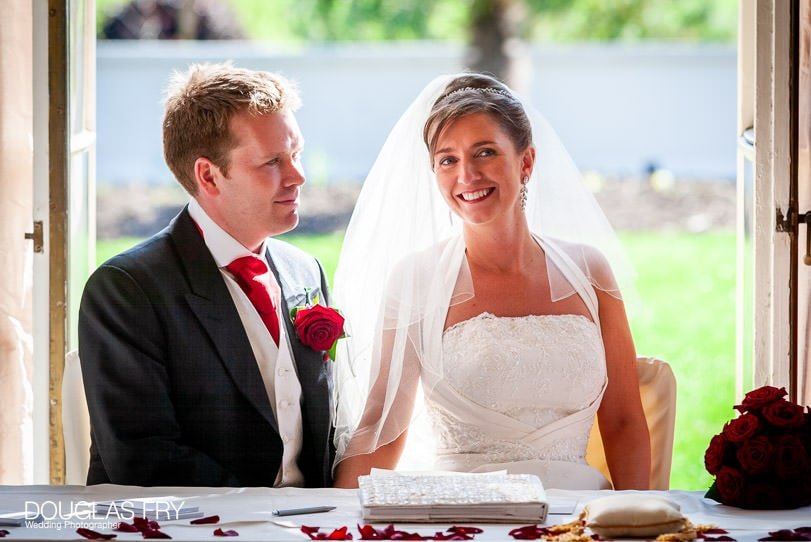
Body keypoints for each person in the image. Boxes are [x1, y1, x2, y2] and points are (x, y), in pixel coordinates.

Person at [331, 73, 651, 490]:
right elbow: (381, 430)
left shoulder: (590, 271)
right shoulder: (415, 279)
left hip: (580, 516)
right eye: (448, 160)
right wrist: (335, 525)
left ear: (526, 162)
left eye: (485, 152)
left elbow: (624, 421)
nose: (467, 175)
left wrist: (641, 523)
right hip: (465, 516)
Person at [79, 63, 335, 487]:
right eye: (273, 161)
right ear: (209, 176)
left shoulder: (304, 271)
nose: (298, 175)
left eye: (297, 153)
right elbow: (142, 460)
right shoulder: (127, 290)